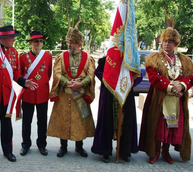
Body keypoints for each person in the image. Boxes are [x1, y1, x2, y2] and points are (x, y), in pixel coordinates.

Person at [139, 27, 193, 164]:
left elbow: (190, 78)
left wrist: (181, 86)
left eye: (170, 41)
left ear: (176, 44)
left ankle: (166, 150)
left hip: (177, 99)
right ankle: (155, 151)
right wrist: (172, 88)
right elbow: (154, 77)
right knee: (158, 125)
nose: (167, 44)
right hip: (159, 98)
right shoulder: (153, 59)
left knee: (172, 127)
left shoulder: (184, 60)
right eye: (165, 41)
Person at [0, 25, 37, 162]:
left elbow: (16, 73)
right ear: (4, 38)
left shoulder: (14, 53)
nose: (14, 39)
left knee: (6, 124)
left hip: (6, 94)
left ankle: (8, 151)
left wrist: (24, 82)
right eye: (12, 37)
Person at [47, 20, 95, 158]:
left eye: (73, 42)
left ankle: (79, 147)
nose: (69, 45)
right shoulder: (61, 57)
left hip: (80, 95)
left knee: (80, 121)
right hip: (64, 95)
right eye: (69, 42)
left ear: (79, 44)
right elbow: (56, 73)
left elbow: (91, 75)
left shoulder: (88, 58)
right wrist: (67, 82)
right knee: (64, 120)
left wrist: (81, 84)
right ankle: (63, 146)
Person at [91, 56, 141, 163]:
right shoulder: (106, 60)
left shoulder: (131, 61)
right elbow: (98, 72)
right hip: (109, 95)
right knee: (107, 122)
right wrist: (109, 81)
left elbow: (139, 75)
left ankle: (124, 151)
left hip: (126, 95)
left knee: (125, 123)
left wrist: (128, 84)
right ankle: (105, 151)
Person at [18, 30, 52, 156]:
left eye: (41, 41)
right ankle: (25, 144)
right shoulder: (22, 57)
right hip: (28, 94)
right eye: (36, 41)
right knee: (27, 121)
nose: (39, 43)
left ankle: (42, 144)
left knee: (42, 121)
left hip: (42, 94)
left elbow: (48, 75)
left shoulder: (47, 56)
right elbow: (20, 75)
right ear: (31, 43)